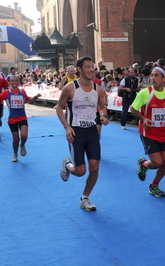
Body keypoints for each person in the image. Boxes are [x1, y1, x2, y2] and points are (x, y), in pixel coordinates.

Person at [56, 56, 109, 211]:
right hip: (76, 132)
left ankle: (85, 197)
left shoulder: (97, 88)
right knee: (80, 171)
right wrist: (67, 127)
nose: (91, 69)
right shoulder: (70, 88)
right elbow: (59, 108)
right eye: (87, 66)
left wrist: (104, 116)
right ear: (79, 69)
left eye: (92, 66)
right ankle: (67, 165)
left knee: (94, 167)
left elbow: (103, 106)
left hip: (92, 131)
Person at [130, 67, 165, 197]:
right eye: (152, 75)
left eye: (157, 75)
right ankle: (144, 164)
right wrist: (143, 118)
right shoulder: (145, 93)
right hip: (149, 133)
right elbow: (133, 109)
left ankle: (154, 185)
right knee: (157, 163)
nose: (153, 78)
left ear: (164, 79)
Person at [0, 76, 41, 162]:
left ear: (19, 82)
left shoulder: (22, 92)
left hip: (22, 117)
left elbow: (29, 100)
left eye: (16, 81)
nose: (14, 82)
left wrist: (35, 97)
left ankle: (23, 145)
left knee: (24, 135)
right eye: (12, 81)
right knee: (16, 139)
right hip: (12, 119)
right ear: (9, 83)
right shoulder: (7, 92)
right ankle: (15, 154)